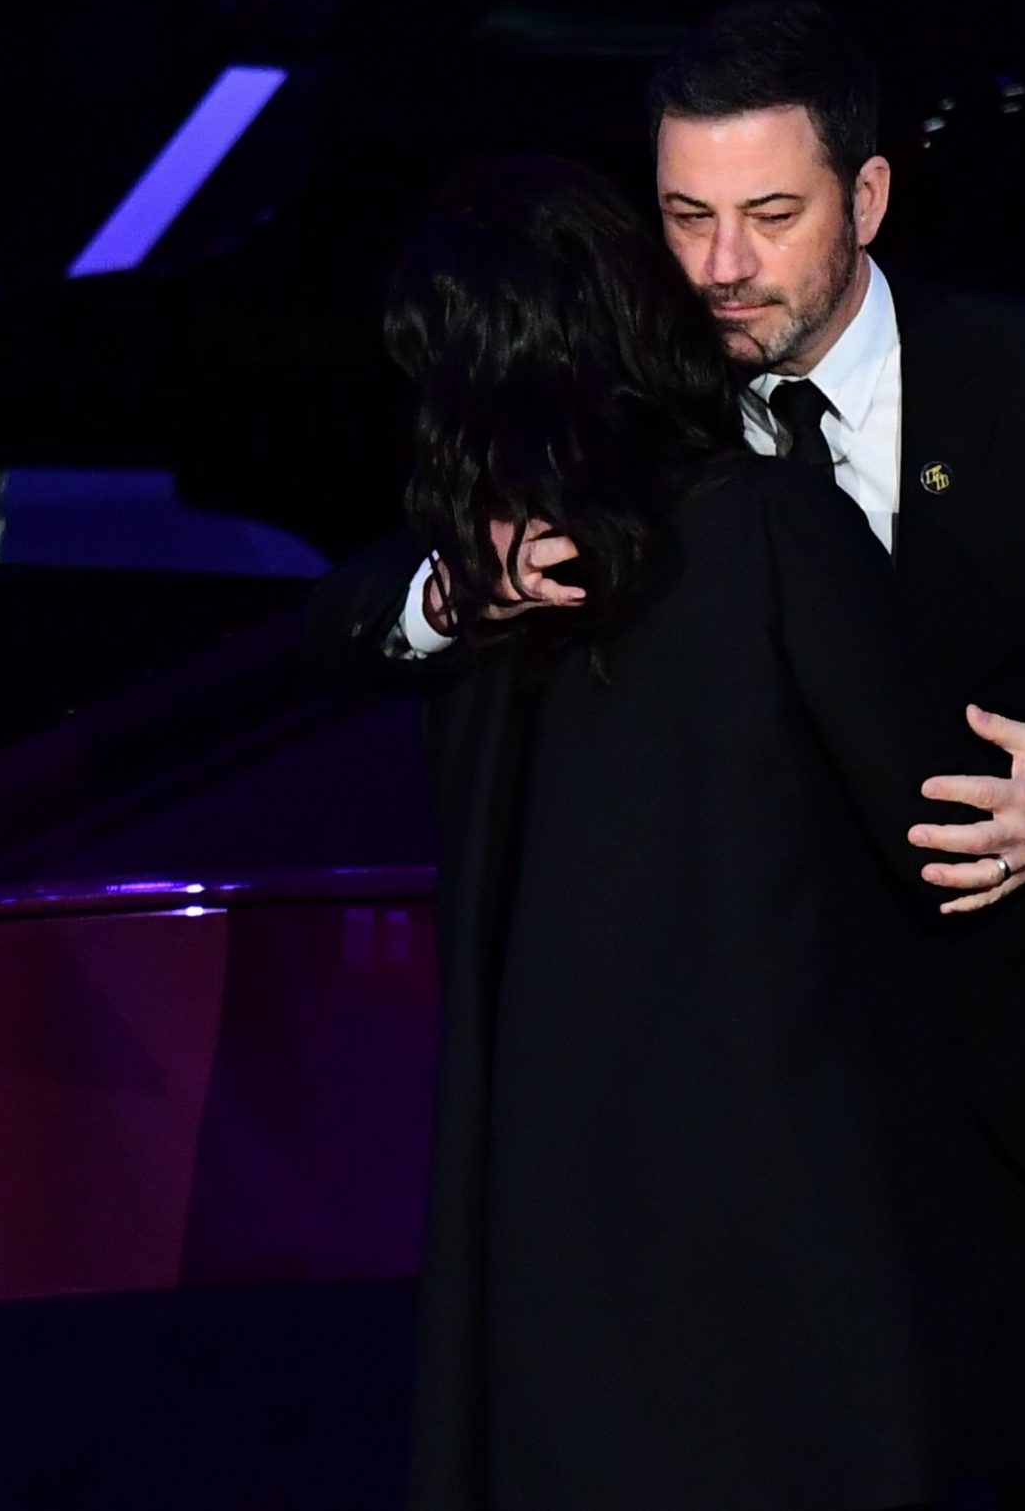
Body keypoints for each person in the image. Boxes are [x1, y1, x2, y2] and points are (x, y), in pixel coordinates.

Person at [311, 0, 1025, 1510]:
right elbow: (358, 602)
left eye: (769, 215)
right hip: (810, 1128)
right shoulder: (659, 405)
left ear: (868, 197)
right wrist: (460, 582)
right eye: (686, 215)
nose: (718, 265)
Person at [339, 150, 989, 1511]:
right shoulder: (757, 532)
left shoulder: (496, 585)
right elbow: (951, 821)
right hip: (789, 1227)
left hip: (574, 1245)